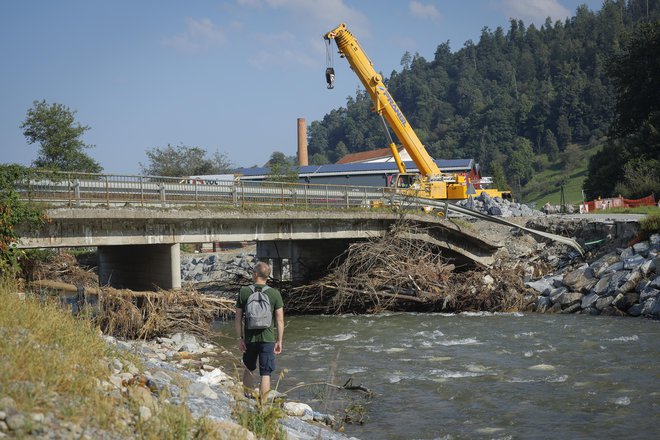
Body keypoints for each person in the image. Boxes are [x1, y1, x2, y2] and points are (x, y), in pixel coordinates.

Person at [235, 261, 284, 400]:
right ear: (267, 276)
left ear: (256, 274)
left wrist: (239, 338)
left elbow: (238, 318)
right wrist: (279, 340)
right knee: (266, 372)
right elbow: (280, 320)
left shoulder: (244, 292)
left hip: (250, 339)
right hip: (267, 339)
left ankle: (246, 398)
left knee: (249, 367)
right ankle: (263, 404)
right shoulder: (274, 293)